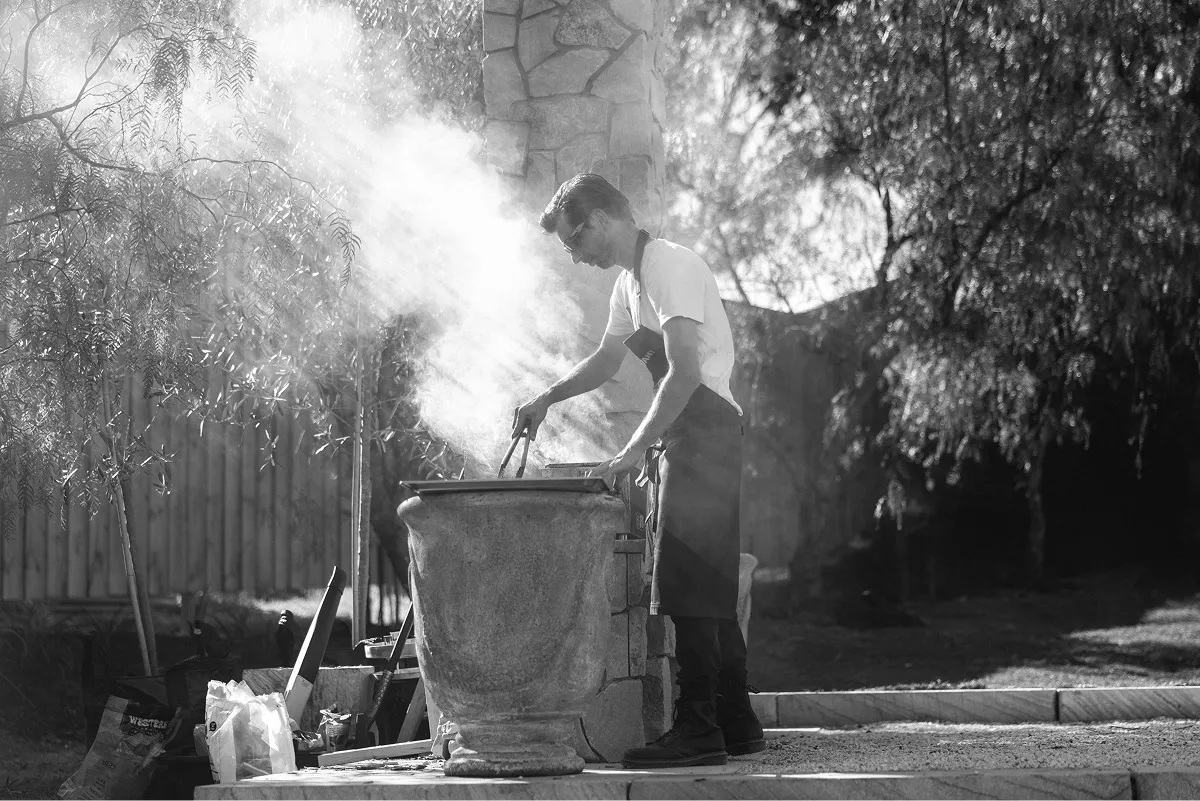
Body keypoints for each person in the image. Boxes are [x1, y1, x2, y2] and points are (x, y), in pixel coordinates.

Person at [512, 174, 764, 768]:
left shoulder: (668, 266)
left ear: (598, 219)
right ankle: (736, 720)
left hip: (704, 430)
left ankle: (698, 727)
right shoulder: (630, 285)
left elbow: (682, 371)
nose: (575, 255)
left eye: (574, 241)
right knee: (705, 579)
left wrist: (630, 450)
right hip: (692, 433)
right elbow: (606, 359)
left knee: (687, 582)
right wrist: (547, 397)